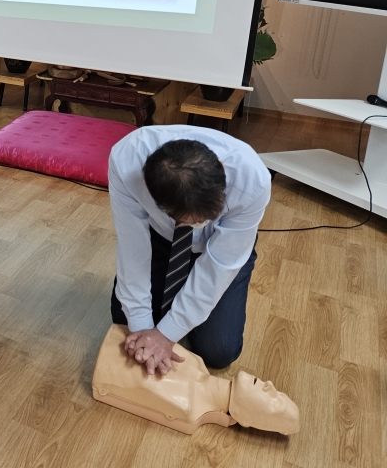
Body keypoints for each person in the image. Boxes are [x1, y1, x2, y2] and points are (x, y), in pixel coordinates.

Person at [108, 126, 270, 375]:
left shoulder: (252, 180)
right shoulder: (125, 161)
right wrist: (142, 327)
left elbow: (220, 265)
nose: (198, 226)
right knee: (125, 319)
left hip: (224, 245)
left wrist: (165, 335)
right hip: (161, 238)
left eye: (204, 218)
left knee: (219, 350)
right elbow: (133, 248)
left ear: (222, 171)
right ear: (150, 192)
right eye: (191, 221)